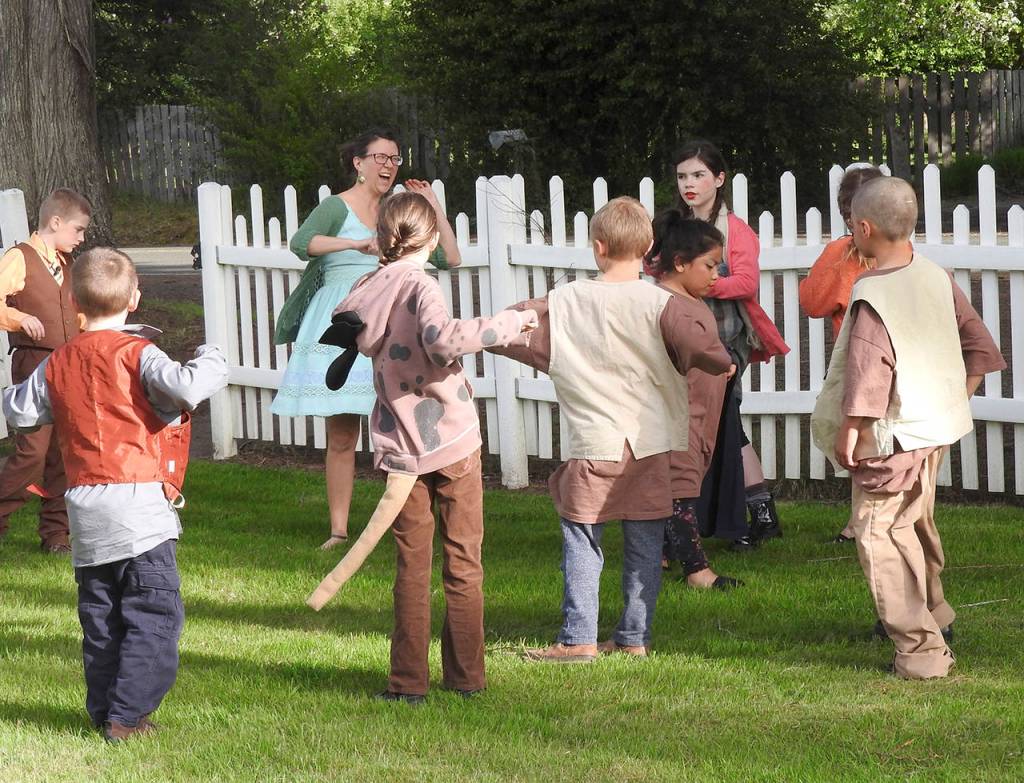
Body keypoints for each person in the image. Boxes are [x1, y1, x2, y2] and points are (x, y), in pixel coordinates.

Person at [492, 197, 732, 662]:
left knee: (582, 537)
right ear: (647, 250)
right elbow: (711, 352)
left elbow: (509, 329)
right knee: (644, 541)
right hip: (651, 443)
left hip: (593, 442)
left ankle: (578, 637)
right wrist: (715, 360)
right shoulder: (666, 304)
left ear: (598, 247)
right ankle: (633, 639)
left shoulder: (563, 303)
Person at [2, 247, 228, 738]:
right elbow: (186, 389)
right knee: (154, 615)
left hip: (85, 510)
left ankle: (105, 711)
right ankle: (127, 717)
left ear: (76, 305)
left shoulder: (59, 361)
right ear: (135, 299)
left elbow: (19, 411)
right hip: (139, 508)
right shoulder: (139, 352)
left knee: (101, 622)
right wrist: (213, 357)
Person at [329, 191, 535, 702]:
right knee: (462, 562)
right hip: (454, 444)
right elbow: (444, 342)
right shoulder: (422, 285)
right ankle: (466, 680)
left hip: (400, 446)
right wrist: (512, 322)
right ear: (429, 237)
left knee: (411, 568)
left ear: (381, 237)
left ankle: (406, 685)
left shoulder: (366, 287)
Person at [810, 177, 1005, 679]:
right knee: (913, 521)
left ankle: (921, 651)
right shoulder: (935, 275)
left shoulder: (874, 293)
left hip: (892, 435)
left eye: (852, 225)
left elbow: (870, 374)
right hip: (933, 429)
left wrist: (850, 432)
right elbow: (978, 343)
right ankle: (936, 613)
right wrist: (955, 395)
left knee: (878, 533)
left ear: (863, 228)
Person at [271, 128, 461, 550]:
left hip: (391, 323)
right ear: (358, 163)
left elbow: (449, 258)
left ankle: (408, 522)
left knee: (402, 423)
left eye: (394, 158)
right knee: (342, 432)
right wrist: (356, 243)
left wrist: (434, 207)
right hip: (343, 321)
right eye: (380, 157)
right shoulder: (337, 206)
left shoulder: (399, 210)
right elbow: (302, 243)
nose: (388, 165)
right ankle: (338, 530)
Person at [652, 140, 788, 551]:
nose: (689, 184)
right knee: (719, 427)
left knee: (722, 425)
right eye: (682, 176)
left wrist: (705, 281)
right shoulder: (674, 224)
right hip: (682, 338)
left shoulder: (736, 230)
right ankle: (760, 513)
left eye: (698, 175)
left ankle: (743, 516)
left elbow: (746, 282)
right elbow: (652, 266)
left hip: (725, 342)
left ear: (719, 179)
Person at [647, 212, 742, 590]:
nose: (716, 274)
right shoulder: (667, 305)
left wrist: (724, 369)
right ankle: (697, 571)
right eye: (709, 265)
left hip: (702, 417)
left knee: (681, 486)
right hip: (678, 419)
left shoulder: (692, 301)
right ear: (680, 263)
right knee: (680, 490)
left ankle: (660, 552)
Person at [0, 188, 89, 554]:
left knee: (64, 453)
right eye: (78, 230)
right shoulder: (19, 258)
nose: (81, 238)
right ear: (55, 222)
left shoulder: (68, 266)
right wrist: (20, 318)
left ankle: (55, 534)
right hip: (33, 365)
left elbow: (77, 316)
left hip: (69, 367)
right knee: (33, 452)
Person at [799, 164, 884, 544]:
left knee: (869, 439)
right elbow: (813, 302)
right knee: (863, 438)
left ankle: (864, 521)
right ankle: (860, 519)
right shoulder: (843, 252)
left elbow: (814, 301)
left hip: (873, 362)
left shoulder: (885, 253)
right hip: (858, 361)